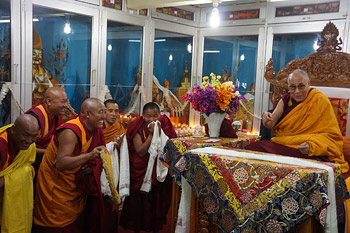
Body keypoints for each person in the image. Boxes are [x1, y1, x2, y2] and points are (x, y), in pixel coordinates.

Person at [245, 69, 349, 174]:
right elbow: (270, 124)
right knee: (251, 148)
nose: (297, 91)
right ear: (288, 86)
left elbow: (332, 138)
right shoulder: (285, 100)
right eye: (292, 87)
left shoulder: (320, 100)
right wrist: (265, 118)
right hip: (285, 145)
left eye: (301, 86)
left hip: (307, 150)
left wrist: (313, 146)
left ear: (308, 84)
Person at [34, 98, 107, 233]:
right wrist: (89, 156)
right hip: (57, 189)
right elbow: (61, 164)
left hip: (75, 188)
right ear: (87, 114)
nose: (104, 116)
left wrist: (92, 165)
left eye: (105, 112)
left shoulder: (95, 130)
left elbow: (98, 158)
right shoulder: (70, 132)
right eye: (100, 112)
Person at [119, 102, 177, 233]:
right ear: (143, 116)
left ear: (160, 115)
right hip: (140, 171)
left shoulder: (164, 124)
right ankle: (136, 229)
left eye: (155, 116)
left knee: (156, 201)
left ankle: (155, 228)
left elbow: (172, 144)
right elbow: (140, 151)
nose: (151, 120)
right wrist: (152, 135)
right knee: (138, 204)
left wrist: (160, 133)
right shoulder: (137, 126)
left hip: (157, 169)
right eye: (148, 116)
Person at [0, 114, 39, 232]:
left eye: (34, 136)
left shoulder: (29, 146)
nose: (29, 141)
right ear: (13, 130)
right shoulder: (1, 145)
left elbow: (27, 165)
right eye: (26, 135)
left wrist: (6, 179)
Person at [26, 87, 68, 157]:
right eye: (63, 101)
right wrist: (51, 153)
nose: (66, 105)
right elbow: (25, 148)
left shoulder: (56, 115)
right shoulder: (35, 118)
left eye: (67, 102)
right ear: (49, 101)